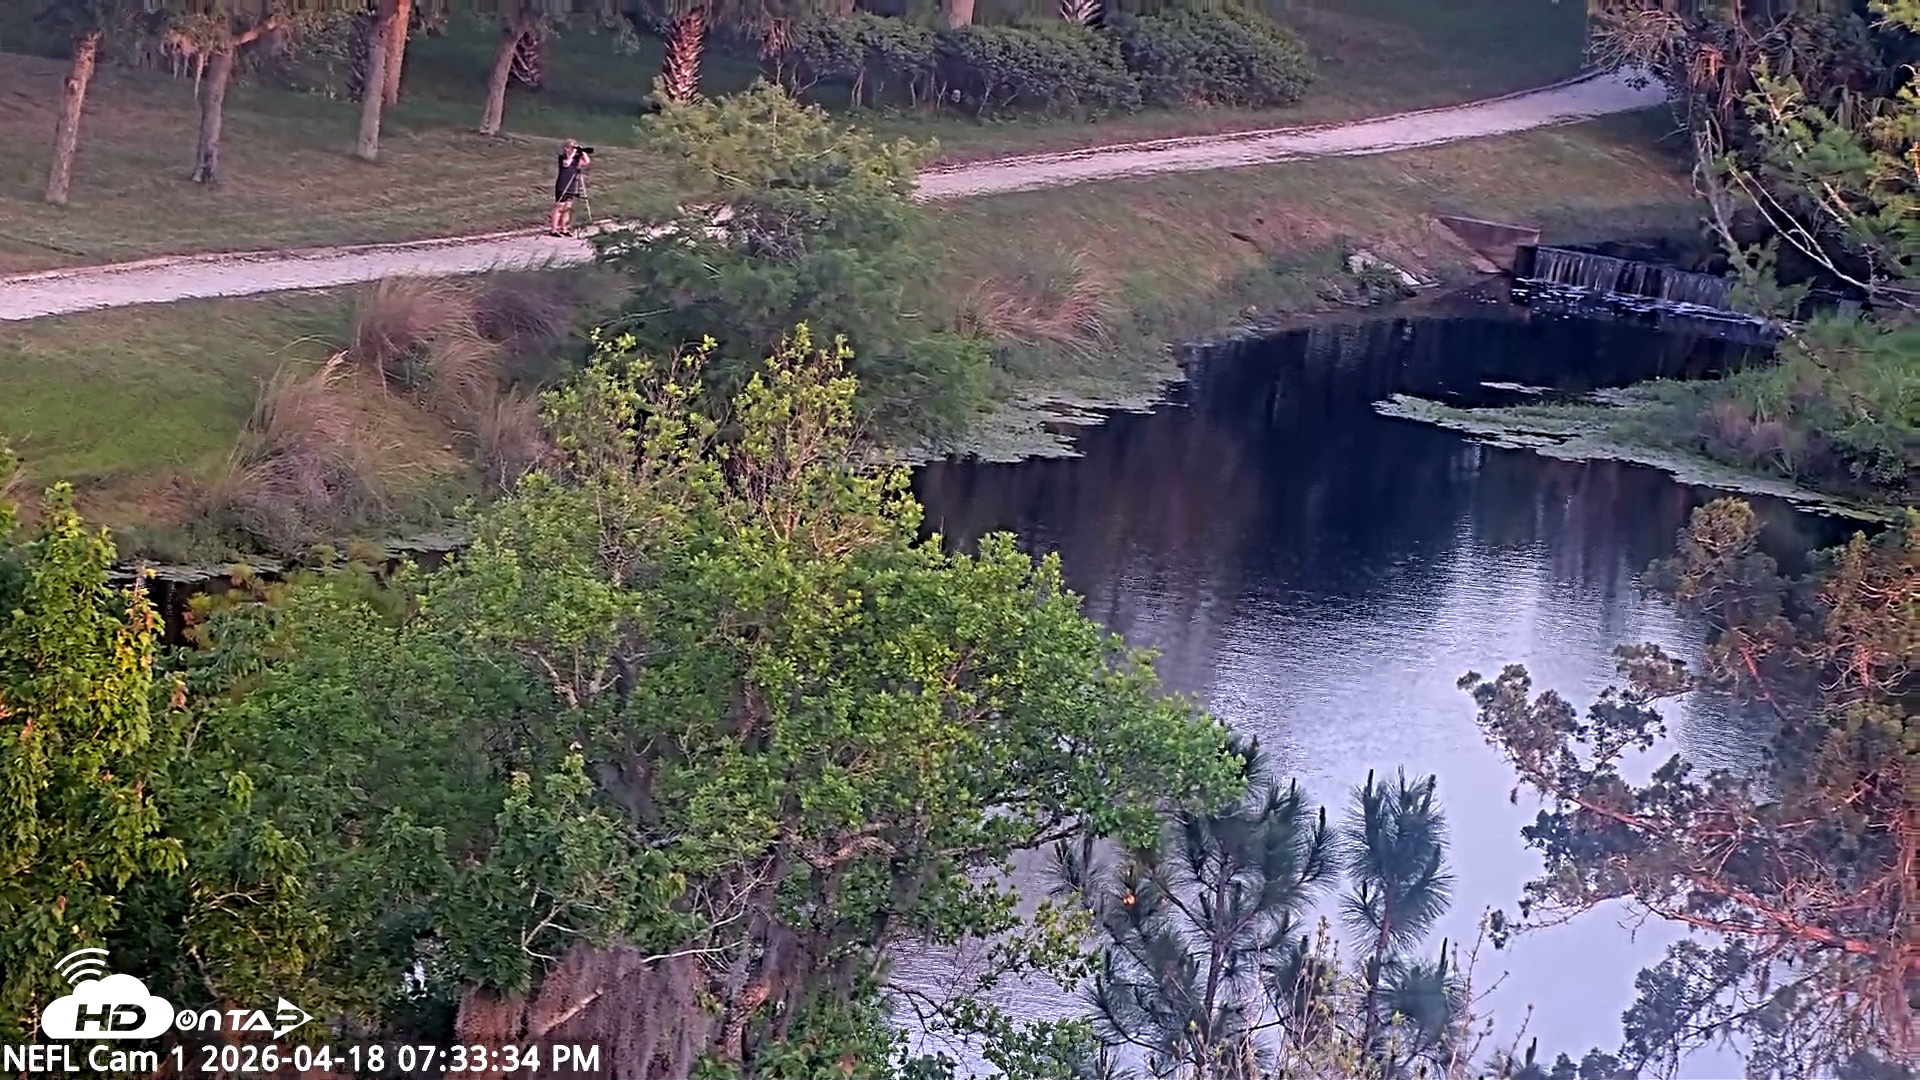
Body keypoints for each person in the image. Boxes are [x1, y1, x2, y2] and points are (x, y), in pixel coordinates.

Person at [548, 139, 591, 237]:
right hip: (562, 185)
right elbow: (567, 163)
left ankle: (564, 228)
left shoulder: (576, 160)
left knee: (567, 207)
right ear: (566, 149)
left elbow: (587, 161)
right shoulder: (562, 158)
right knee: (559, 207)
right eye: (571, 148)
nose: (573, 150)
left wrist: (582, 152)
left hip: (572, 185)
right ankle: (554, 229)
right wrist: (572, 154)